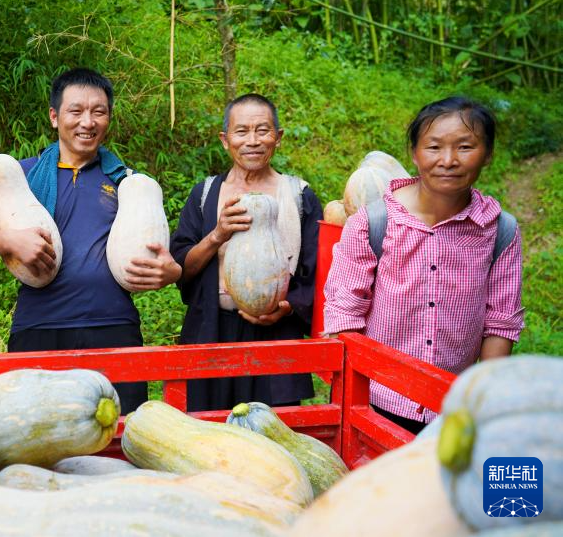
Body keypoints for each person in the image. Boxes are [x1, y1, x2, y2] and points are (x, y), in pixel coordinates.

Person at [0, 68, 181, 413]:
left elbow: (165, 257)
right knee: (35, 433)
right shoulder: (21, 175)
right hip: (39, 327)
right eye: (76, 111)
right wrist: (9, 240)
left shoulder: (128, 182)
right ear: (54, 116)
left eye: (98, 112)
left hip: (114, 327)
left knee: (119, 433)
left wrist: (170, 272)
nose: (87, 122)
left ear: (109, 117)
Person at [324, 96, 523, 434]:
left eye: (465, 147)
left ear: (488, 154)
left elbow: (500, 324)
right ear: (414, 153)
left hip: (454, 407)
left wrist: (483, 404)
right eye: (434, 147)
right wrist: (356, 402)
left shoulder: (500, 230)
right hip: (375, 402)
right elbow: (345, 316)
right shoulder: (373, 223)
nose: (448, 160)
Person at [170, 93, 322, 411]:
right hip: (212, 333)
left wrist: (288, 307)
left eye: (262, 130)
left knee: (272, 430)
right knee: (208, 430)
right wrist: (217, 235)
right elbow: (181, 267)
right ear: (225, 140)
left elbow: (317, 273)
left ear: (278, 137)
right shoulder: (205, 194)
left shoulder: (299, 196)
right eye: (241, 131)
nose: (252, 141)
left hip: (277, 338)